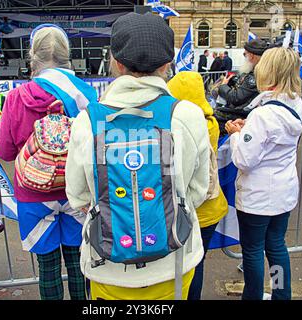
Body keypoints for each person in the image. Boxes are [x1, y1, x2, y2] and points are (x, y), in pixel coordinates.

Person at [66, 12, 210, 300]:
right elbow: (198, 190)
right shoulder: (187, 115)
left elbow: (78, 197)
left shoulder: (87, 121)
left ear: (116, 63)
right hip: (173, 263)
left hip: (107, 266)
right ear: (168, 64)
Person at [0, 24, 97, 300]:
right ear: (68, 54)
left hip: (33, 194)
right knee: (80, 265)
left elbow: (4, 151)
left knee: (48, 268)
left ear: (32, 56)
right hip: (77, 193)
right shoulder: (85, 95)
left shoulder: (16, 97)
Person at [225, 47, 302, 300]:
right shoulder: (295, 103)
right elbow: (274, 137)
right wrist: (248, 130)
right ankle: (281, 293)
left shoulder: (263, 114)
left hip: (257, 197)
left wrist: (236, 135)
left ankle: (253, 295)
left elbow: (244, 159)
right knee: (277, 247)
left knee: (253, 251)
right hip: (283, 192)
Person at [168, 71, 229, 300]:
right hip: (211, 209)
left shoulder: (179, 127)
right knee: (198, 262)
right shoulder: (211, 123)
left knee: (183, 267)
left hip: (190, 210)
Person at [214, 39, 269, 136]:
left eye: (245, 55)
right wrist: (233, 80)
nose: (245, 57)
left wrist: (223, 86)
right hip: (246, 114)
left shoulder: (257, 74)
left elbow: (236, 98)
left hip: (241, 115)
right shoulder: (260, 72)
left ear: (251, 56)